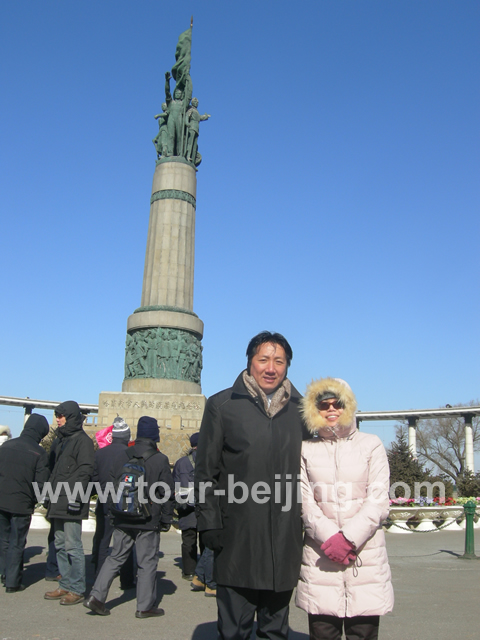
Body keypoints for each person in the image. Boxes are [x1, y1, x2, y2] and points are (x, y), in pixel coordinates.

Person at [194, 331, 307, 640]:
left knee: (275, 630)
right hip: (237, 538)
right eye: (263, 359)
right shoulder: (223, 405)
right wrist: (209, 523)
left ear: (287, 366)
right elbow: (205, 472)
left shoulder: (302, 410)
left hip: (284, 538)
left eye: (279, 361)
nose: (271, 368)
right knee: (234, 630)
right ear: (250, 362)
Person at [296, 378, 394, 640]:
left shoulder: (371, 444)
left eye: (337, 403)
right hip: (321, 556)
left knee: (362, 634)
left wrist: (348, 538)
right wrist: (331, 538)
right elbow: (305, 501)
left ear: (348, 405)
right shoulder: (306, 449)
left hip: (365, 556)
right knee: (322, 633)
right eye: (324, 404)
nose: (331, 409)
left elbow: (378, 500)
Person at [84, 416, 175, 618]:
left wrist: (112, 510)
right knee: (147, 562)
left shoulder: (123, 455)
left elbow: (111, 484)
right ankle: (144, 606)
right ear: (155, 435)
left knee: (115, 556)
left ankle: (96, 597)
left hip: (122, 515)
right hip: (148, 519)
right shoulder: (159, 459)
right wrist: (167, 519)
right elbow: (166, 494)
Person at [44, 401, 94, 605]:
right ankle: (65, 584)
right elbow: (55, 471)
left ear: (71, 417)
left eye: (61, 415)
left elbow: (85, 470)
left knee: (73, 546)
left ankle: (77, 587)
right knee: (59, 544)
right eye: (56, 415)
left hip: (71, 501)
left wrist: (76, 496)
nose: (57, 419)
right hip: (57, 499)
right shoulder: (61, 440)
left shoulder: (83, 441)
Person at [0, 414, 50, 592]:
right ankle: (13, 582)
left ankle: (4, 573)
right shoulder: (39, 453)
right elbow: (41, 483)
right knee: (17, 541)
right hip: (21, 503)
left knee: (4, 539)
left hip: (2, 500)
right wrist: (35, 501)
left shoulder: (6, 446)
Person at [91, 417, 135, 589]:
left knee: (103, 540)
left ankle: (98, 578)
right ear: (127, 436)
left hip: (103, 501)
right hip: (124, 502)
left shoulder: (100, 453)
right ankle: (127, 579)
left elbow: (93, 478)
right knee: (126, 542)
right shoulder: (130, 454)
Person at [172, 432, 201, 580]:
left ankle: (189, 571)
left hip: (186, 506)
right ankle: (203, 573)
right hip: (204, 507)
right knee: (205, 540)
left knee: (188, 540)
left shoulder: (181, 462)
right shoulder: (208, 460)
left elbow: (174, 483)